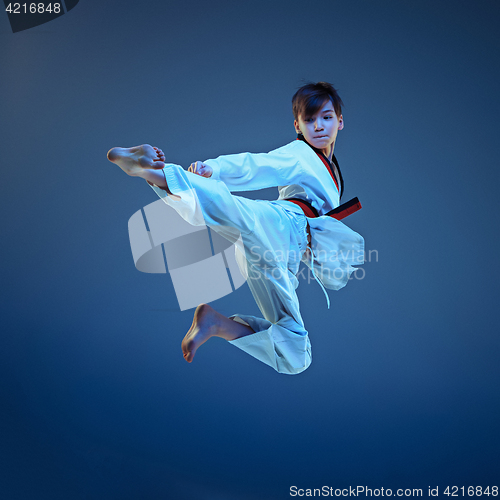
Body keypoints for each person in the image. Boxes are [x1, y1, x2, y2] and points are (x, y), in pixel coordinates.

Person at [107, 82, 364, 375]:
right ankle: (152, 170)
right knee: (230, 209)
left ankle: (215, 323)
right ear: (298, 126)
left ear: (340, 121)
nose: (318, 126)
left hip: (284, 258)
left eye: (327, 117)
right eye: (310, 119)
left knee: (296, 356)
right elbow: (258, 165)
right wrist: (213, 169)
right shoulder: (300, 154)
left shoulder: (331, 168)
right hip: (282, 224)